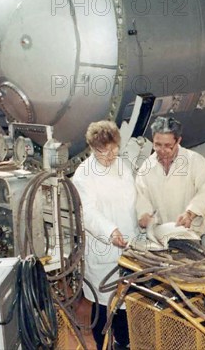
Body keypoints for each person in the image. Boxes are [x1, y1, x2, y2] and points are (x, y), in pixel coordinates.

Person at [72, 121, 138, 350]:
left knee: (127, 303)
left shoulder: (123, 166)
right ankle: (103, 346)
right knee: (104, 306)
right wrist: (111, 231)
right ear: (91, 148)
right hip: (104, 249)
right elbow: (87, 213)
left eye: (113, 149)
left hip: (130, 247)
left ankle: (125, 345)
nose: (110, 155)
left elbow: (134, 199)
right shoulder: (84, 175)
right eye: (103, 151)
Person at [136, 116, 205, 234]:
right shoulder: (146, 167)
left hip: (193, 232)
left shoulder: (196, 162)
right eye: (157, 144)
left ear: (178, 141)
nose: (162, 150)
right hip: (162, 233)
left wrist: (190, 214)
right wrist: (144, 214)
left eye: (168, 146)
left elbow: (204, 194)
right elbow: (141, 197)